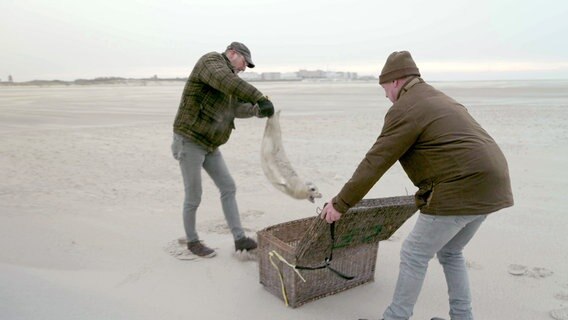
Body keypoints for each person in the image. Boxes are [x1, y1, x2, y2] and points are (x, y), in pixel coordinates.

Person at [320, 51, 513, 320]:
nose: (385, 94)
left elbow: (375, 162)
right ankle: (462, 317)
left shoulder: (406, 108)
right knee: (451, 251)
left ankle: (395, 317)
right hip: (494, 185)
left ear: (396, 81)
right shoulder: (438, 98)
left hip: (460, 188)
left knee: (413, 253)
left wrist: (340, 204)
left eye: (384, 87)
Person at [171, 41, 275, 258]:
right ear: (232, 53)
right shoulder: (211, 62)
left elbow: (235, 107)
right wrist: (259, 97)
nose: (244, 68)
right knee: (194, 196)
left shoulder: (231, 81)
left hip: (210, 145)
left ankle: (240, 240)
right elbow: (226, 81)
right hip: (189, 140)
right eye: (244, 62)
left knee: (228, 187)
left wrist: (258, 110)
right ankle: (192, 241)